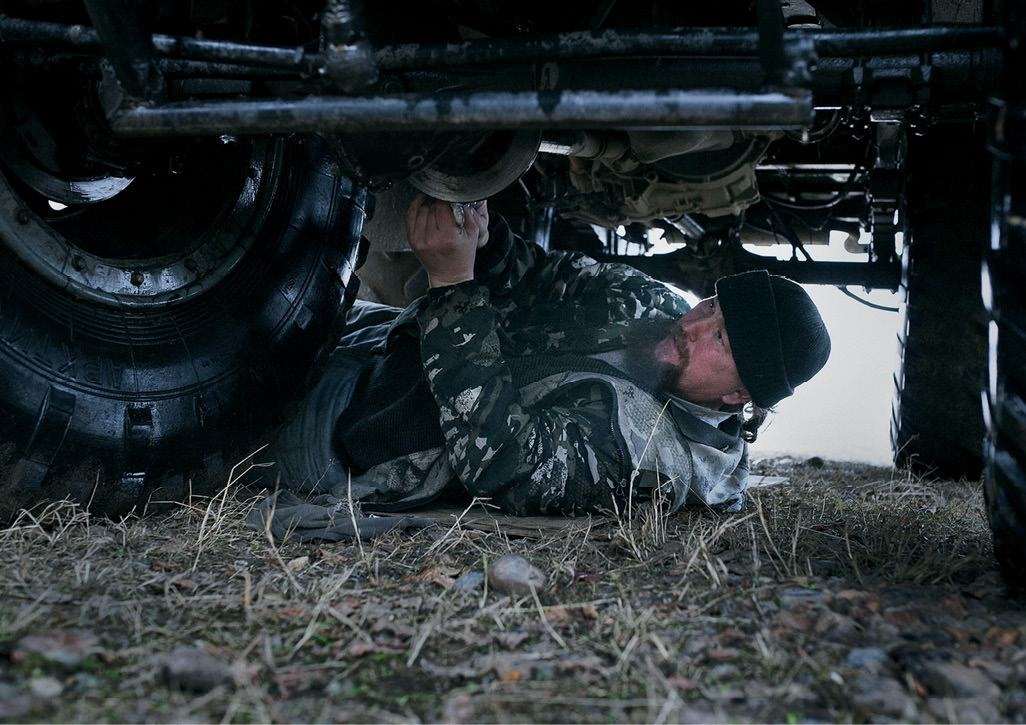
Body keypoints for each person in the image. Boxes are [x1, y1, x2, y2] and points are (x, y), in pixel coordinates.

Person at [251, 194, 829, 538]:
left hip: (346, 430)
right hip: (383, 336)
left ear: (737, 397)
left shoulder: (652, 457)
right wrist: (481, 234)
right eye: (711, 307)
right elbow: (543, 276)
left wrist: (454, 280)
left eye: (719, 341)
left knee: (208, 391)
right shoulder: (656, 304)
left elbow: (503, 460)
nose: (692, 325)